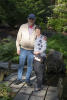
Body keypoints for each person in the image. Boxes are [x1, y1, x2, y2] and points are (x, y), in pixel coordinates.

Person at [16, 14, 36, 85]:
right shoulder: (22, 26)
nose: (31, 20)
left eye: (32, 19)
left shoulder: (37, 28)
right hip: (23, 49)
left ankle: (27, 80)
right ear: (27, 19)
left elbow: (38, 39)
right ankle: (19, 79)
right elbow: (18, 38)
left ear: (34, 19)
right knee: (21, 65)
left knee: (30, 66)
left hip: (31, 51)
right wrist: (18, 48)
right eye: (30, 18)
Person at [34, 25, 47, 91]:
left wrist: (38, 52)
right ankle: (39, 83)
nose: (37, 31)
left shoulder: (43, 37)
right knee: (36, 70)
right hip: (34, 56)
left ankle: (39, 86)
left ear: (40, 31)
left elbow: (44, 47)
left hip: (41, 55)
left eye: (38, 30)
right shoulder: (34, 37)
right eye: (36, 30)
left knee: (39, 71)